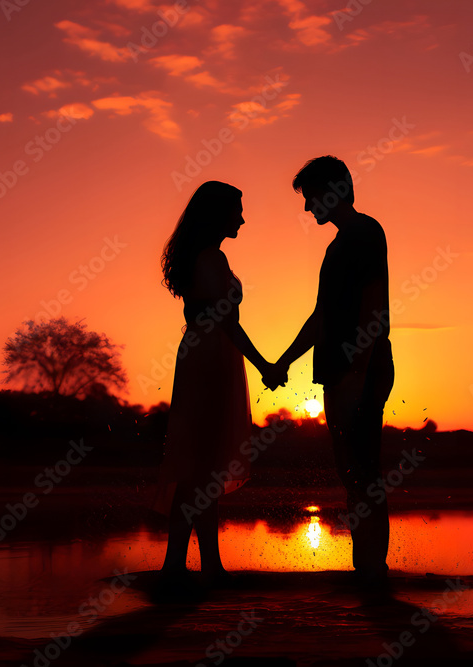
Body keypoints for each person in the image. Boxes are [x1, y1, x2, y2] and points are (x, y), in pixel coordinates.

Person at [265, 156, 395, 584]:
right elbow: (321, 317)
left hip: (361, 368)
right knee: (352, 472)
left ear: (335, 190)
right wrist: (283, 361)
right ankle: (368, 568)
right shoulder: (338, 245)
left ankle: (374, 569)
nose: (307, 208)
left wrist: (357, 369)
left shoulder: (364, 232)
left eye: (311, 197)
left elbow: (373, 306)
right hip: (340, 369)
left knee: (363, 469)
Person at [155, 181, 286, 589]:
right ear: (217, 214)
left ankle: (197, 563)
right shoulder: (212, 257)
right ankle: (184, 564)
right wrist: (265, 363)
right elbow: (227, 321)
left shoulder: (204, 256)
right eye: (237, 211)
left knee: (202, 467)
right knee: (200, 467)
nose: (243, 219)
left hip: (206, 356)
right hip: (210, 359)